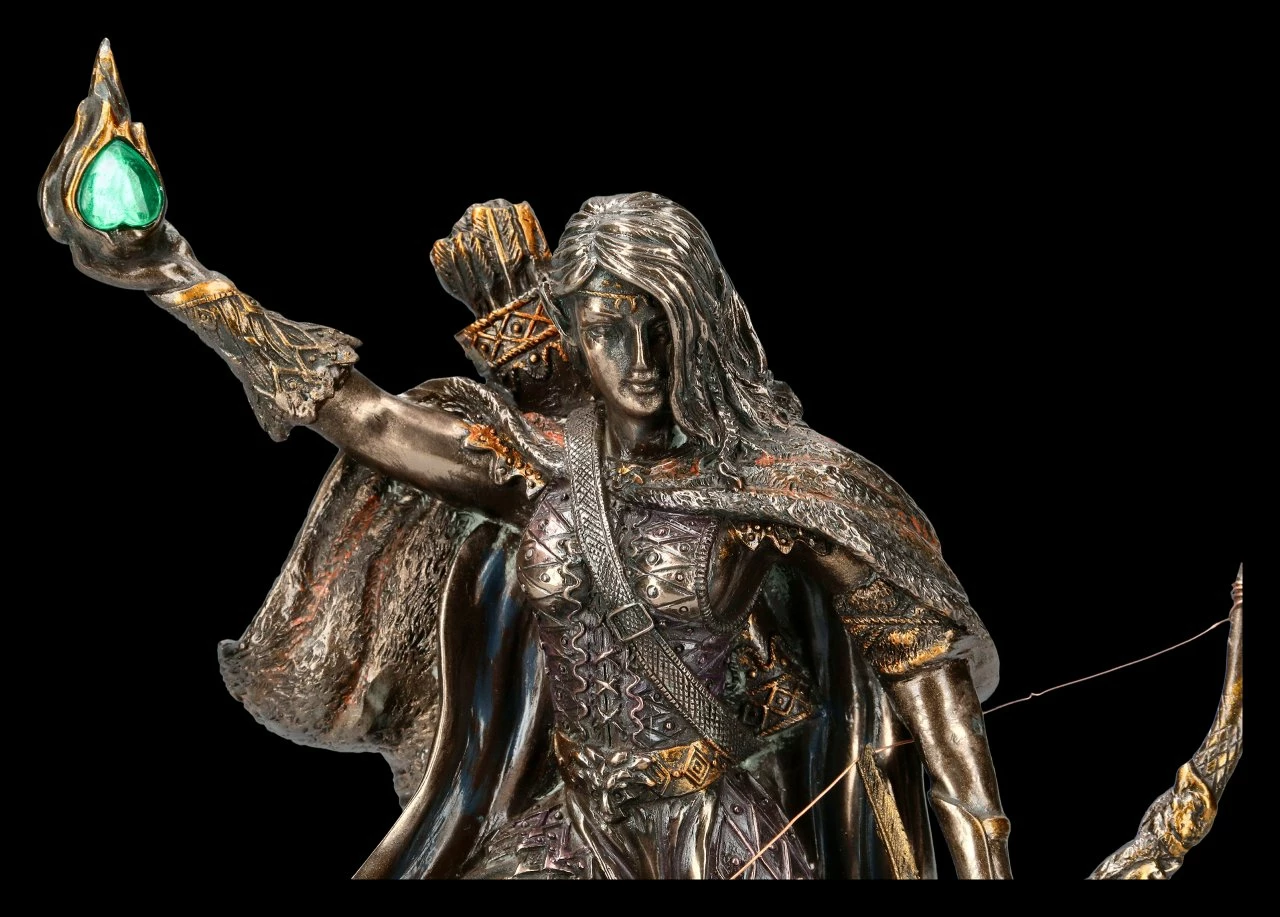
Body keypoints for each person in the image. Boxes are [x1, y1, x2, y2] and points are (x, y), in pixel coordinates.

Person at [38, 42, 1020, 881]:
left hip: (717, 838)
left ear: (699, 326)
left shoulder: (775, 489)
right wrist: (173, 272)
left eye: (657, 325)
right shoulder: (535, 463)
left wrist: (985, 857)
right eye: (606, 329)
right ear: (573, 331)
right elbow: (362, 414)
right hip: (570, 828)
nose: (636, 360)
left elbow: (927, 684)